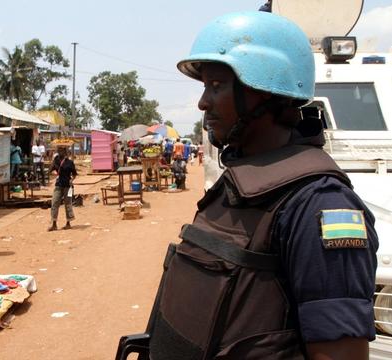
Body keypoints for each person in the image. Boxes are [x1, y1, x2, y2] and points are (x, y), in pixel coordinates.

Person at [130, 12, 378, 359]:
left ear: (264, 91)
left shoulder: (318, 204)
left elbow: (340, 353)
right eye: (204, 87)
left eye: (216, 86)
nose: (203, 102)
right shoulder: (240, 182)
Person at [48, 146, 77, 231]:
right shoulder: (56, 161)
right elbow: (49, 171)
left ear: (65, 152)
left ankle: (68, 223)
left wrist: (72, 180)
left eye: (62, 150)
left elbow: (74, 174)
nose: (60, 152)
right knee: (54, 203)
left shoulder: (70, 162)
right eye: (59, 150)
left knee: (68, 204)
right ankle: (54, 224)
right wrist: (52, 164)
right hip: (58, 185)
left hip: (68, 186)